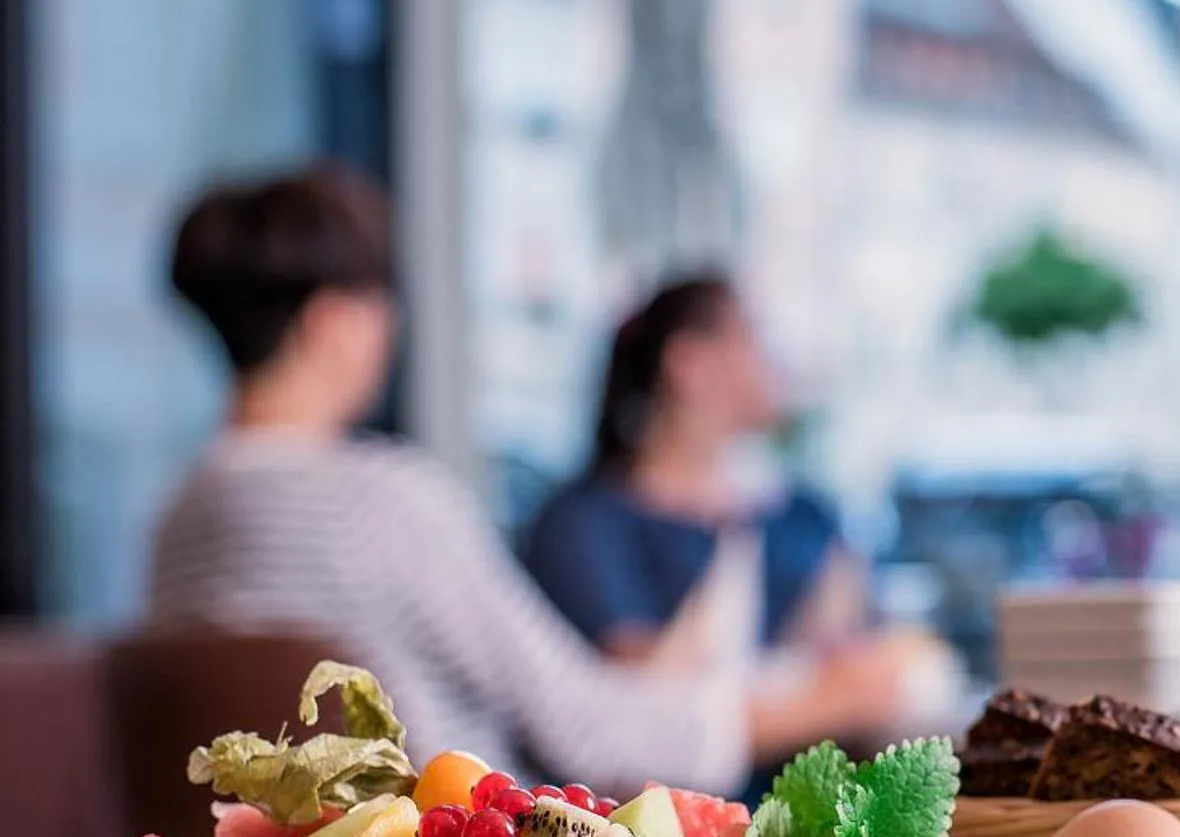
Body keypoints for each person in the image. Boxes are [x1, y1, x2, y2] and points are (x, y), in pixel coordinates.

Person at [146, 166, 897, 797]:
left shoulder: (179, 519)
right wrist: (847, 696)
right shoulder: (381, 500)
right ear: (333, 321)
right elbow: (588, 729)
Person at [523, 274, 865, 673]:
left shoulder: (805, 515)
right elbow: (642, 692)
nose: (777, 361)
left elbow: (851, 644)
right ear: (690, 364)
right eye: (755, 339)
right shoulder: (585, 526)